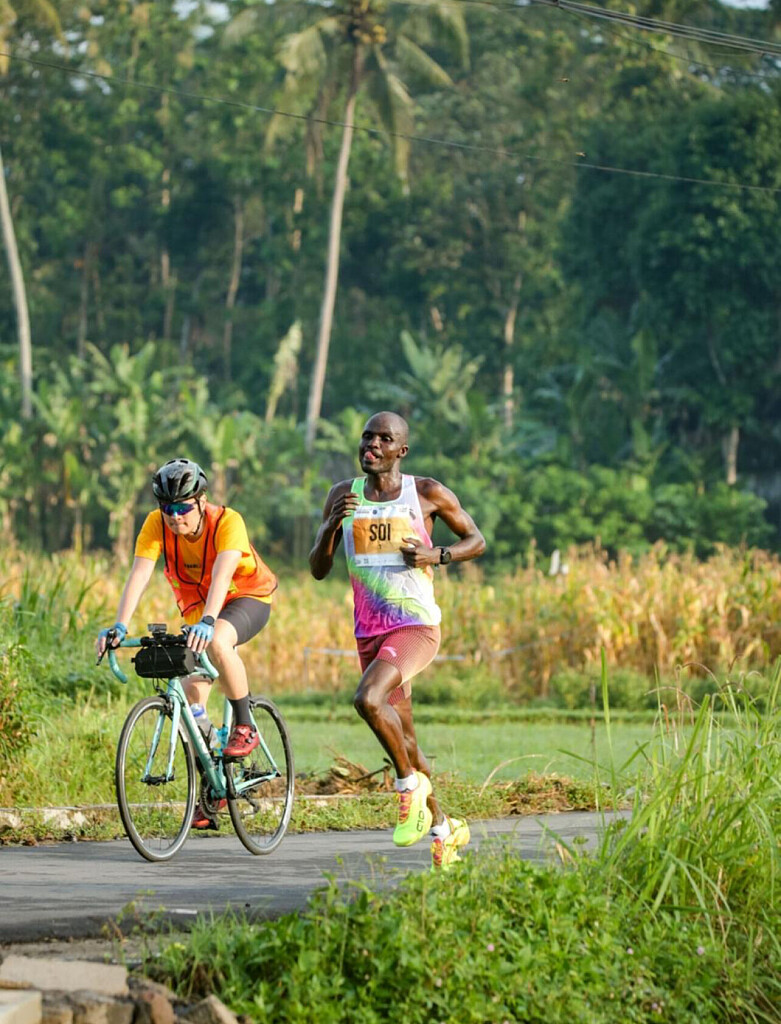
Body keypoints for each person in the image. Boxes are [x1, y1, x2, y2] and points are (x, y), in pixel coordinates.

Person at [309, 411, 486, 870]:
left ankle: (408, 789)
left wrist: (435, 554)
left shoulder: (424, 492)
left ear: (401, 451)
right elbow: (318, 569)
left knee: (367, 699)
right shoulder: (342, 495)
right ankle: (445, 830)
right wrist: (329, 528)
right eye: (367, 436)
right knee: (404, 740)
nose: (372, 444)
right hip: (368, 631)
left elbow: (476, 540)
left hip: (414, 626)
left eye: (384, 439)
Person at [95, 458, 277, 828]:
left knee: (219, 642)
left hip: (245, 596)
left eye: (182, 509)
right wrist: (119, 625)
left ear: (201, 502)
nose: (174, 517)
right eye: (167, 509)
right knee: (193, 698)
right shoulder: (155, 525)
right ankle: (213, 788)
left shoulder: (227, 521)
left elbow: (223, 573)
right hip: (199, 604)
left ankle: (245, 726)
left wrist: (209, 622)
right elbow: (139, 574)